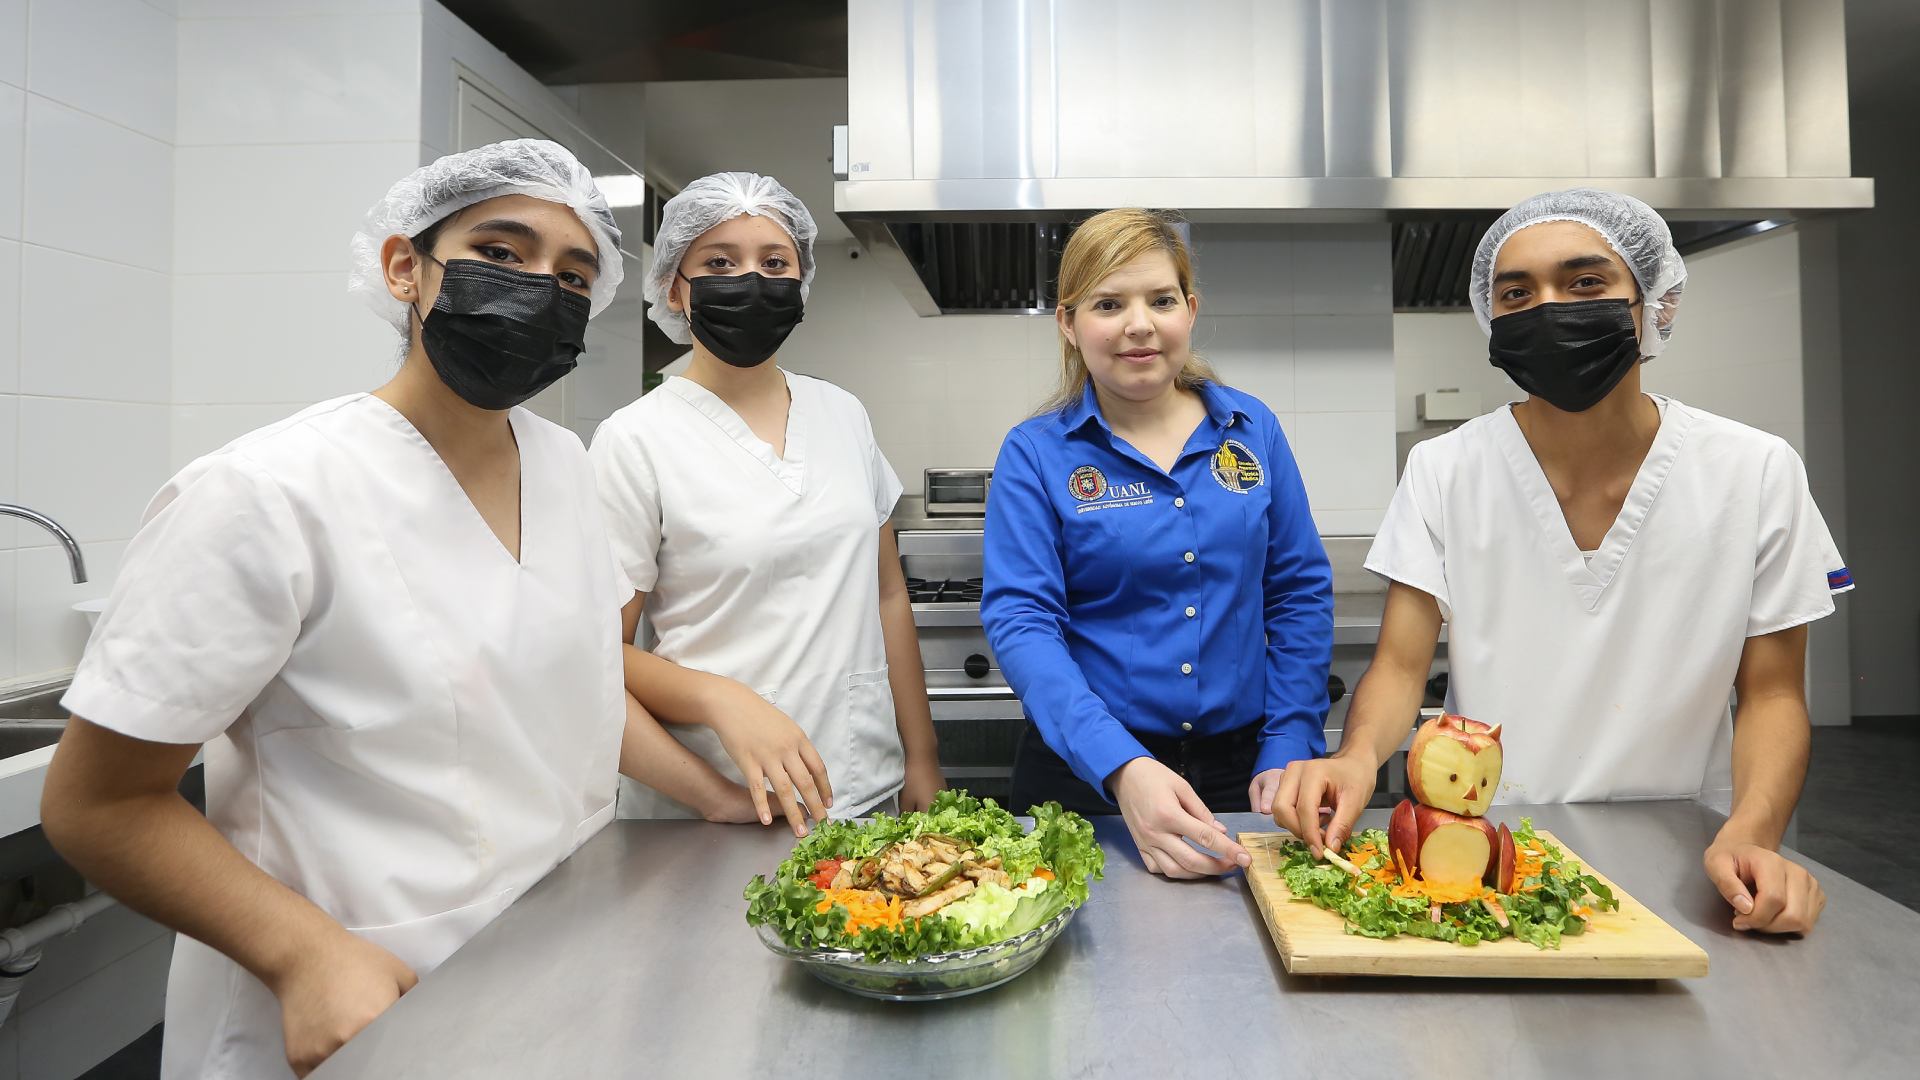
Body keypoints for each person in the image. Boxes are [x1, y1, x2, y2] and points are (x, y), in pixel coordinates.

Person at [40, 140, 644, 1078]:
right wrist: (302, 953)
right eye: (498, 252)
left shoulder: (566, 463)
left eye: (573, 274)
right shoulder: (266, 492)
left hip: (553, 977)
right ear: (407, 267)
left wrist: (722, 797)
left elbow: (577, 697)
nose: (538, 289)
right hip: (353, 1004)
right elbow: (97, 804)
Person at [1271, 188, 1846, 935]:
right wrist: (1354, 757)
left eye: (1585, 283)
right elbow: (1401, 666)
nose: (1550, 308)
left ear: (1652, 301)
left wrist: (1751, 833)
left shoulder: (1755, 471)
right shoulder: (1446, 469)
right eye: (1517, 293)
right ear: (1491, 319)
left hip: (1686, 845)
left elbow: (1772, 696)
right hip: (1492, 850)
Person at [981, 208, 1334, 880]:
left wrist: (1290, 737)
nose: (1139, 324)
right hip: (1085, 779)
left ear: (1190, 310)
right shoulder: (1035, 453)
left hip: (1244, 774)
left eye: (1161, 300)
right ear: (1068, 322)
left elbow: (1298, 591)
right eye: (1109, 304)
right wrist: (1120, 765)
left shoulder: (1250, 428)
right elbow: (1022, 621)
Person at [591, 171, 942, 833]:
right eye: (720, 262)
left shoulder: (843, 413)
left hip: (861, 791)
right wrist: (720, 716)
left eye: (774, 262)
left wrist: (921, 758)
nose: (750, 280)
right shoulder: (634, 440)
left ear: (799, 285)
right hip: (714, 808)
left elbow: (887, 594)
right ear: (674, 284)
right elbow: (593, 653)